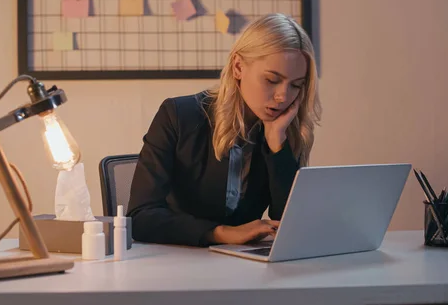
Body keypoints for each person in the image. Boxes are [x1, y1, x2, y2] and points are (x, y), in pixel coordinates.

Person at [127, 13, 322, 247]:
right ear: (238, 66)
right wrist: (220, 234)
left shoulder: (285, 129)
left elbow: (288, 222)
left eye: (295, 85)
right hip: (179, 258)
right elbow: (140, 217)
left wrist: (276, 144)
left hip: (244, 265)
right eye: (271, 80)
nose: (283, 96)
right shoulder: (178, 115)